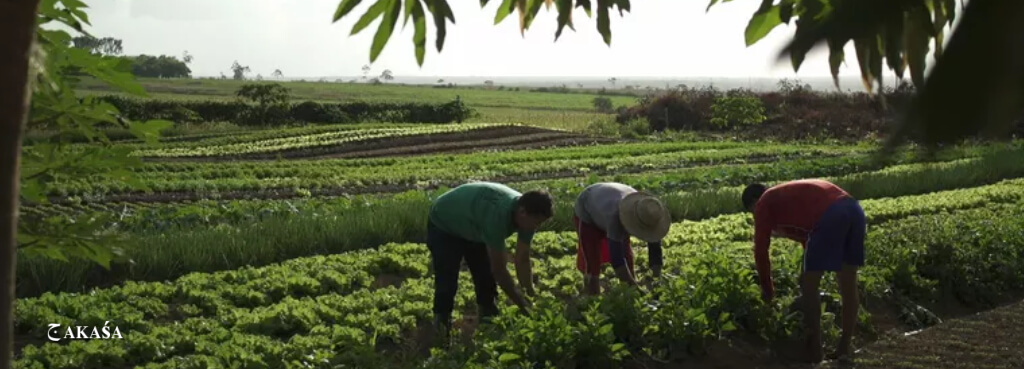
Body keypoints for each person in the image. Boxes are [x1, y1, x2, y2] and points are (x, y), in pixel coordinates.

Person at [742, 179, 866, 363]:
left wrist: (767, 290)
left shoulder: (763, 203)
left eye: (752, 212)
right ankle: (844, 347)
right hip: (854, 210)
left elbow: (760, 250)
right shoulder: (784, 197)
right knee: (847, 282)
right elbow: (806, 237)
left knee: (808, 287)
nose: (756, 216)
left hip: (831, 215)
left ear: (753, 202)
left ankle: (814, 350)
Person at [426, 181, 553, 339]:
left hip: (474, 224)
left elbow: (522, 259)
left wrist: (529, 295)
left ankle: (488, 322)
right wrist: (521, 304)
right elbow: (499, 270)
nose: (536, 227)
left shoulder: (527, 219)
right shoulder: (498, 216)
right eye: (536, 222)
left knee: (485, 276)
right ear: (522, 212)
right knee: (447, 279)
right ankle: (441, 328)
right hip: (444, 222)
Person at [573, 182, 670, 295]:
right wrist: (636, 289)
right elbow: (617, 261)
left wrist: (655, 278)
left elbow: (655, 251)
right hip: (588, 205)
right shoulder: (615, 218)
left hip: (610, 196)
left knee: (627, 255)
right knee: (592, 262)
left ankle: (628, 293)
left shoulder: (648, 210)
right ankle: (593, 298)